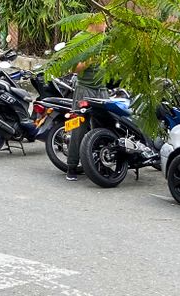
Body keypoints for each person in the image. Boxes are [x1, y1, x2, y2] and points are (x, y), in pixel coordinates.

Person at [65, 19, 110, 182]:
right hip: (85, 89)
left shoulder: (104, 40)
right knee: (79, 127)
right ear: (95, 22)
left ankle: (100, 164)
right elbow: (73, 67)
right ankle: (71, 167)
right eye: (104, 23)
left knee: (105, 126)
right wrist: (91, 59)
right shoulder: (81, 38)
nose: (106, 26)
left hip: (102, 89)